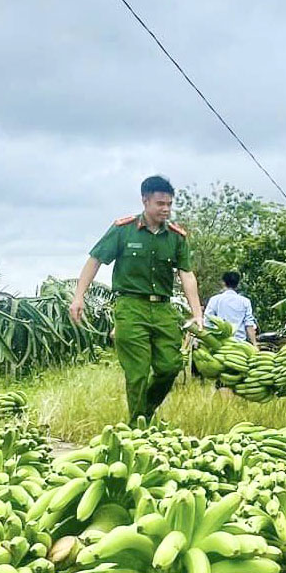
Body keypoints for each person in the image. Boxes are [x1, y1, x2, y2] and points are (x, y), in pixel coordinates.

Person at [70, 175, 203, 423]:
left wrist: (197, 313)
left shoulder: (176, 237)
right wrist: (79, 297)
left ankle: (144, 413)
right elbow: (95, 260)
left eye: (169, 204)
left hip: (163, 308)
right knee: (137, 372)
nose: (165, 209)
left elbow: (186, 274)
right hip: (130, 306)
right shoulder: (123, 230)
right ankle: (138, 427)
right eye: (160, 204)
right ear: (145, 201)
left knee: (170, 367)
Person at [205, 271, 258, 343]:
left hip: (219, 342)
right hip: (240, 343)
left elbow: (207, 321)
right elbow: (249, 324)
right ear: (238, 284)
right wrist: (254, 344)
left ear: (223, 283)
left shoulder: (215, 300)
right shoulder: (245, 301)